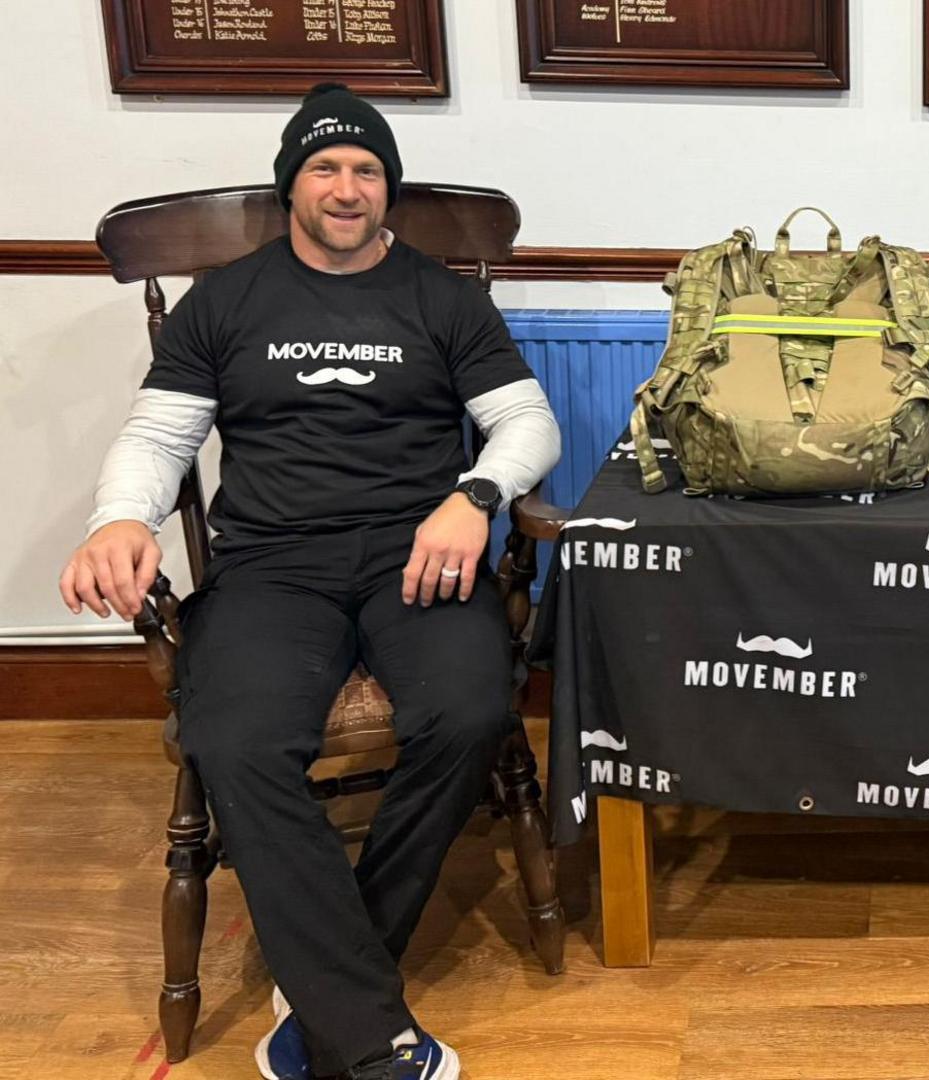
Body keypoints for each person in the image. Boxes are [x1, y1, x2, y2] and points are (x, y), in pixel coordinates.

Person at [59, 83, 561, 1080]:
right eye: (326, 167)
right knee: (236, 736)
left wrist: (473, 495)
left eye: (367, 169)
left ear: (388, 190)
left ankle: (325, 974)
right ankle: (370, 1040)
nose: (347, 186)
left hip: (417, 552)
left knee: (467, 713)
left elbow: (526, 423)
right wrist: (118, 518)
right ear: (293, 184)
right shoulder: (228, 303)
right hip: (271, 566)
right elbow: (160, 436)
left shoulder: (441, 297)